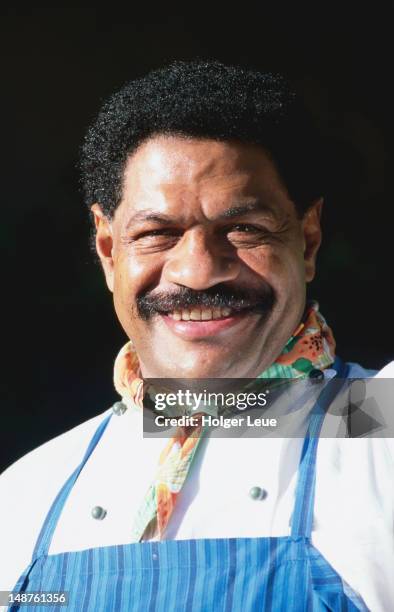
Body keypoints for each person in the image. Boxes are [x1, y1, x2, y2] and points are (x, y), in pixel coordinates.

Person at [0, 60, 393, 612]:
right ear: (109, 252)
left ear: (307, 241)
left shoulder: (375, 425)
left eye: (244, 229)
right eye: (157, 233)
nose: (199, 271)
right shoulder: (29, 491)